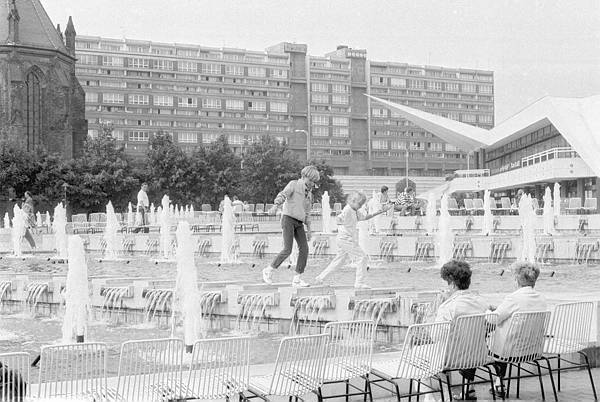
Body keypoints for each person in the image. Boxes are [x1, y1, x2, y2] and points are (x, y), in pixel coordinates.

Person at [487, 261, 547, 397]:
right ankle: (498, 383)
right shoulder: (541, 298)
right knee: (508, 334)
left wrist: (486, 310)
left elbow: (492, 319)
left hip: (511, 352)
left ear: (517, 279)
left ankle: (497, 383)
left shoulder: (513, 298)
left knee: (498, 338)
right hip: (533, 350)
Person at [434, 260, 489, 400]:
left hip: (452, 360)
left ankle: (443, 396)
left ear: (452, 283)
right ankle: (468, 389)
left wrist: (442, 304)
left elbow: (437, 336)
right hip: (478, 356)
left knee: (419, 355)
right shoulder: (481, 302)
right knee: (467, 343)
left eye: (446, 282)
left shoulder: (448, 307)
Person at [315, 192, 392, 288]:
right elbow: (339, 218)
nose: (360, 207)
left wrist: (380, 211)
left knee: (339, 261)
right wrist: (338, 224)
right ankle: (359, 282)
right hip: (345, 238)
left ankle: (320, 278)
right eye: (359, 204)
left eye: (361, 205)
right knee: (362, 257)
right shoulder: (348, 209)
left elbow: (364, 217)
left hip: (344, 238)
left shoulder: (354, 210)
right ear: (353, 201)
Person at [262, 166, 320, 288]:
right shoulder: (293, 184)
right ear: (304, 176)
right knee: (287, 250)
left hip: (299, 223)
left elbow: (308, 213)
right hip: (288, 219)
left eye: (314, 182)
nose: (312, 184)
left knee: (304, 249)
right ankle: (269, 270)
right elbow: (283, 195)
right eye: (310, 180)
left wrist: (309, 230)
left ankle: (297, 279)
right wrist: (275, 206)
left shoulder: (309, 195)